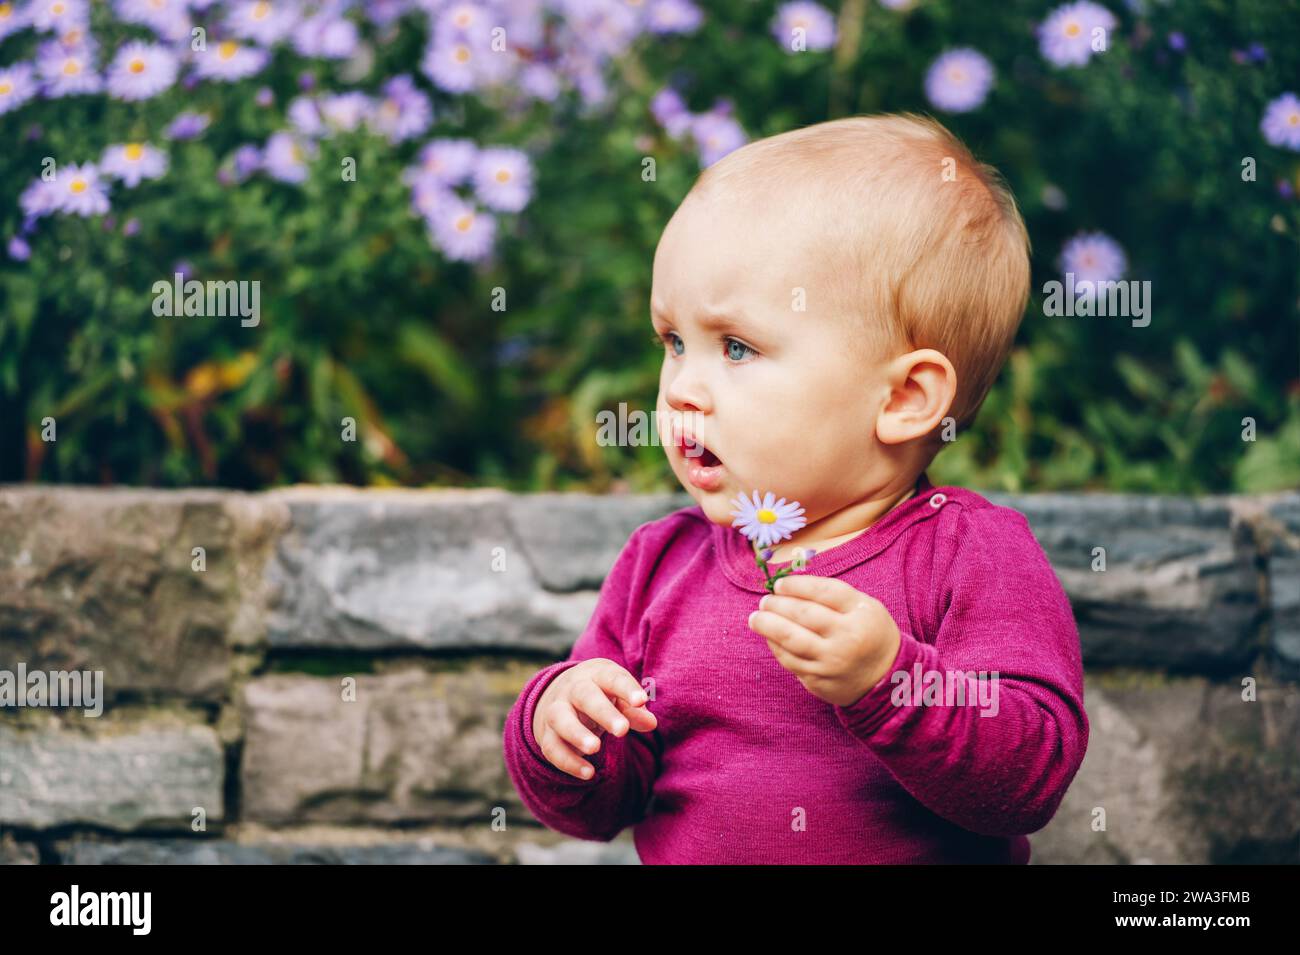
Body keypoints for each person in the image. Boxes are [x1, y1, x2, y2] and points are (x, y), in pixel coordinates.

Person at [503, 113, 1088, 864]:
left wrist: (890, 680)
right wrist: (563, 726)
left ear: (905, 399)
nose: (682, 387)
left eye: (736, 347)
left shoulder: (969, 555)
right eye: (673, 342)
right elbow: (602, 806)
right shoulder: (661, 562)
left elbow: (1030, 773)